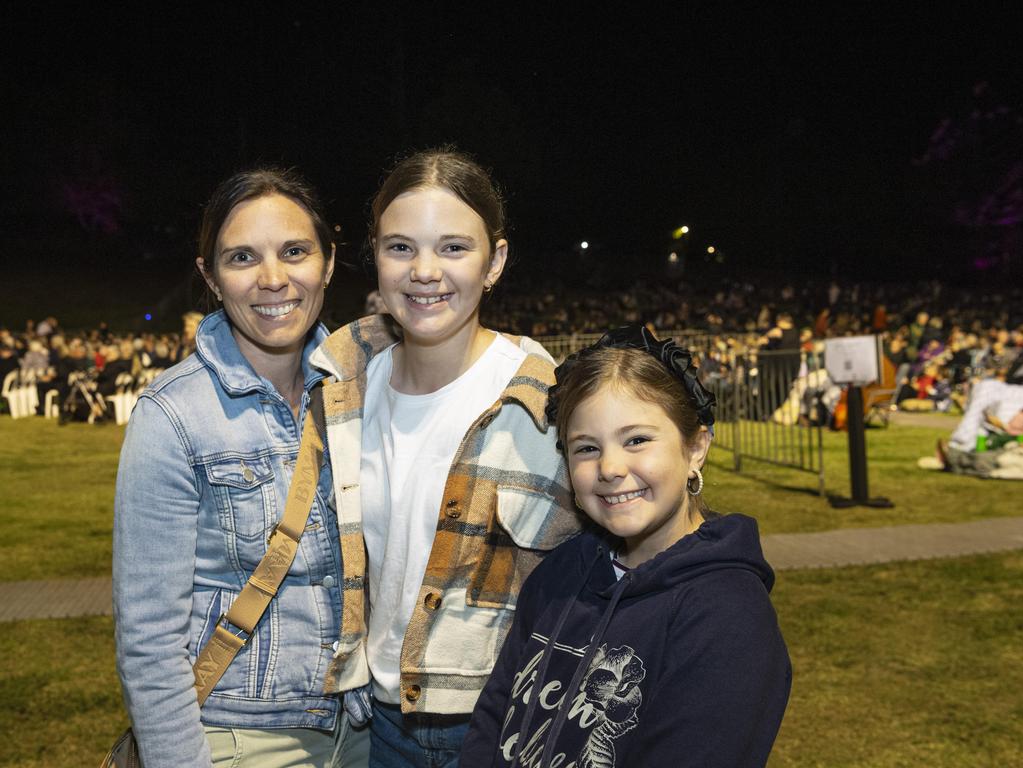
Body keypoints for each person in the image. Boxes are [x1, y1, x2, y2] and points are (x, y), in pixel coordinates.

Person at [308, 147, 580, 767]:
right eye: (400, 247)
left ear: (496, 261)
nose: (424, 270)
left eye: (453, 248)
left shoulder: (547, 402)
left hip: (504, 725)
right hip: (370, 726)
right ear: (374, 255)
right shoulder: (341, 388)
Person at [113, 166, 369, 768]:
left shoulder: (365, 392)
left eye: (295, 252)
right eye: (242, 257)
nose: (273, 279)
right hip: (239, 739)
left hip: (363, 733)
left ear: (329, 263)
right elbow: (149, 641)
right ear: (210, 276)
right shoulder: (171, 415)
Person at [460, 325, 792, 767]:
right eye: (586, 448)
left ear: (696, 448)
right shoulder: (557, 576)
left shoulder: (727, 616)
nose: (610, 467)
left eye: (636, 440)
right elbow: (493, 718)